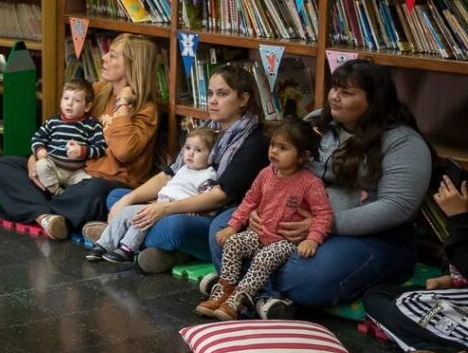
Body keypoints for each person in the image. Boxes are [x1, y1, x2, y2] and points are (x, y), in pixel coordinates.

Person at [206, 59, 432, 319]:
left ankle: (240, 284)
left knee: (311, 275)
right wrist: (260, 207)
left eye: (347, 92)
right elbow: (278, 170)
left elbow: (397, 207)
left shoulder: (403, 142)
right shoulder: (315, 122)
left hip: (367, 237)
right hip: (288, 220)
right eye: (334, 88)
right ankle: (261, 295)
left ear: (375, 100)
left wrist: (323, 224)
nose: (334, 96)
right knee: (222, 228)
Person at [101, 63, 269, 273]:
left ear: (243, 99)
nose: (212, 100)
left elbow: (220, 197)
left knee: (173, 227)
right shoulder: (206, 129)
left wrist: (163, 209)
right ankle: (164, 248)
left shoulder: (253, 141)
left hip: (213, 214)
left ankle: (120, 236)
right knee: (116, 197)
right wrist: (128, 200)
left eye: (222, 94)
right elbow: (168, 175)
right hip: (177, 200)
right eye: (210, 93)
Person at [0, 34, 161, 240]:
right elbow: (61, 127)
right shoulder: (97, 91)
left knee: (94, 191)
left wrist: (123, 102)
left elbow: (123, 152)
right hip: (66, 173)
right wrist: (34, 158)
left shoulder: (146, 110)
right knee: (7, 165)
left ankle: (31, 209)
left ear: (133, 65)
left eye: (113, 55)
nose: (104, 58)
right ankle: (49, 217)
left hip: (104, 183)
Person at [198, 119, 333, 320]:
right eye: (273, 145)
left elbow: (324, 214)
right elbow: (250, 201)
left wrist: (313, 239)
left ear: (303, 156)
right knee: (233, 243)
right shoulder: (266, 174)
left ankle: (239, 299)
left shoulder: (310, 183)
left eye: (283, 148)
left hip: (286, 242)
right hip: (260, 234)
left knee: (264, 258)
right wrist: (233, 226)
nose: (274, 151)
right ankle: (224, 291)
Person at [364, 174, 468, 353]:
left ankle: (436, 348)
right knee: (376, 296)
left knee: (406, 304)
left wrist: (459, 219)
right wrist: (448, 279)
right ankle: (438, 351)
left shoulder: (461, 219)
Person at [85, 126, 217, 264]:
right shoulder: (183, 168)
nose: (190, 153)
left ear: (212, 155)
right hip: (159, 204)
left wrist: (187, 212)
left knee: (143, 218)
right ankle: (104, 244)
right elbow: (167, 182)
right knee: (123, 208)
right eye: (188, 148)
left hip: (176, 212)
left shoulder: (207, 175)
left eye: (198, 150)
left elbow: (207, 204)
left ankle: (127, 248)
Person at [31, 79, 107, 195]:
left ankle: (68, 196)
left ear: (87, 106)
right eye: (66, 98)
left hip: (76, 172)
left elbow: (101, 147)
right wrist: (39, 150)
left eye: (76, 100)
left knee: (91, 184)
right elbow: (37, 138)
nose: (69, 103)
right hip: (53, 167)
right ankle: (56, 192)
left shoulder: (92, 124)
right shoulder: (53, 121)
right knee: (41, 165)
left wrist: (82, 151)